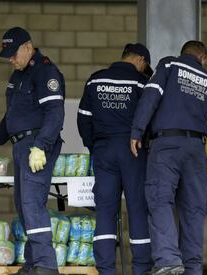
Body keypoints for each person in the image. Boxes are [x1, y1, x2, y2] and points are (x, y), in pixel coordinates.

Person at [130, 41, 207, 275]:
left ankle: (168, 260)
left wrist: (136, 131)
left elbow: (150, 98)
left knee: (160, 198)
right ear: (202, 57)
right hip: (196, 149)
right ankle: (192, 268)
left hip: (167, 144)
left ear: (184, 53)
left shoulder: (169, 64)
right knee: (194, 208)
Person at [0, 26, 65, 275]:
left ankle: (46, 264)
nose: (11, 59)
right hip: (20, 145)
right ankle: (33, 262)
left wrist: (41, 146)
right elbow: (12, 116)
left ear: (28, 47)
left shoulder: (45, 71)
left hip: (37, 144)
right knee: (23, 205)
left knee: (32, 203)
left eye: (14, 54)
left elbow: (55, 113)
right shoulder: (18, 75)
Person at [77, 43, 153, 275]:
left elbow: (83, 119)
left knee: (106, 210)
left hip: (103, 149)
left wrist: (94, 146)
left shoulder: (95, 80)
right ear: (140, 60)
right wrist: (144, 144)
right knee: (137, 209)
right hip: (133, 150)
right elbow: (149, 118)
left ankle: (106, 270)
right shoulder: (141, 82)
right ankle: (141, 270)